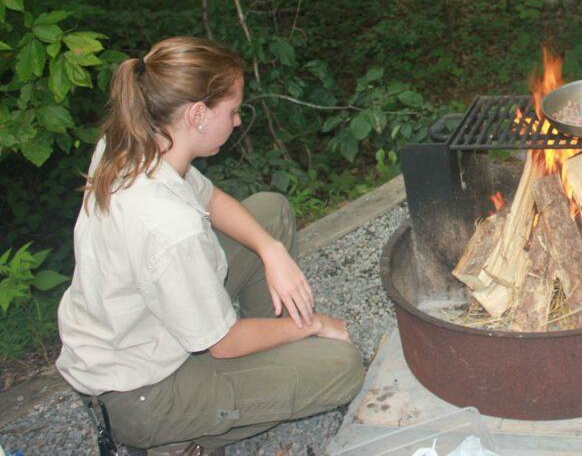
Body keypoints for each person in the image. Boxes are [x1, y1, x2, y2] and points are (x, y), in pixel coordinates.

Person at [55, 37, 365, 455]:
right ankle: (179, 440)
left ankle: (263, 363)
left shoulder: (136, 140)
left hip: (148, 326)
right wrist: (314, 325)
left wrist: (271, 250)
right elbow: (221, 342)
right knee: (341, 369)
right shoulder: (167, 225)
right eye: (233, 110)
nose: (237, 122)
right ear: (197, 115)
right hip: (142, 391)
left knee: (269, 213)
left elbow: (213, 200)